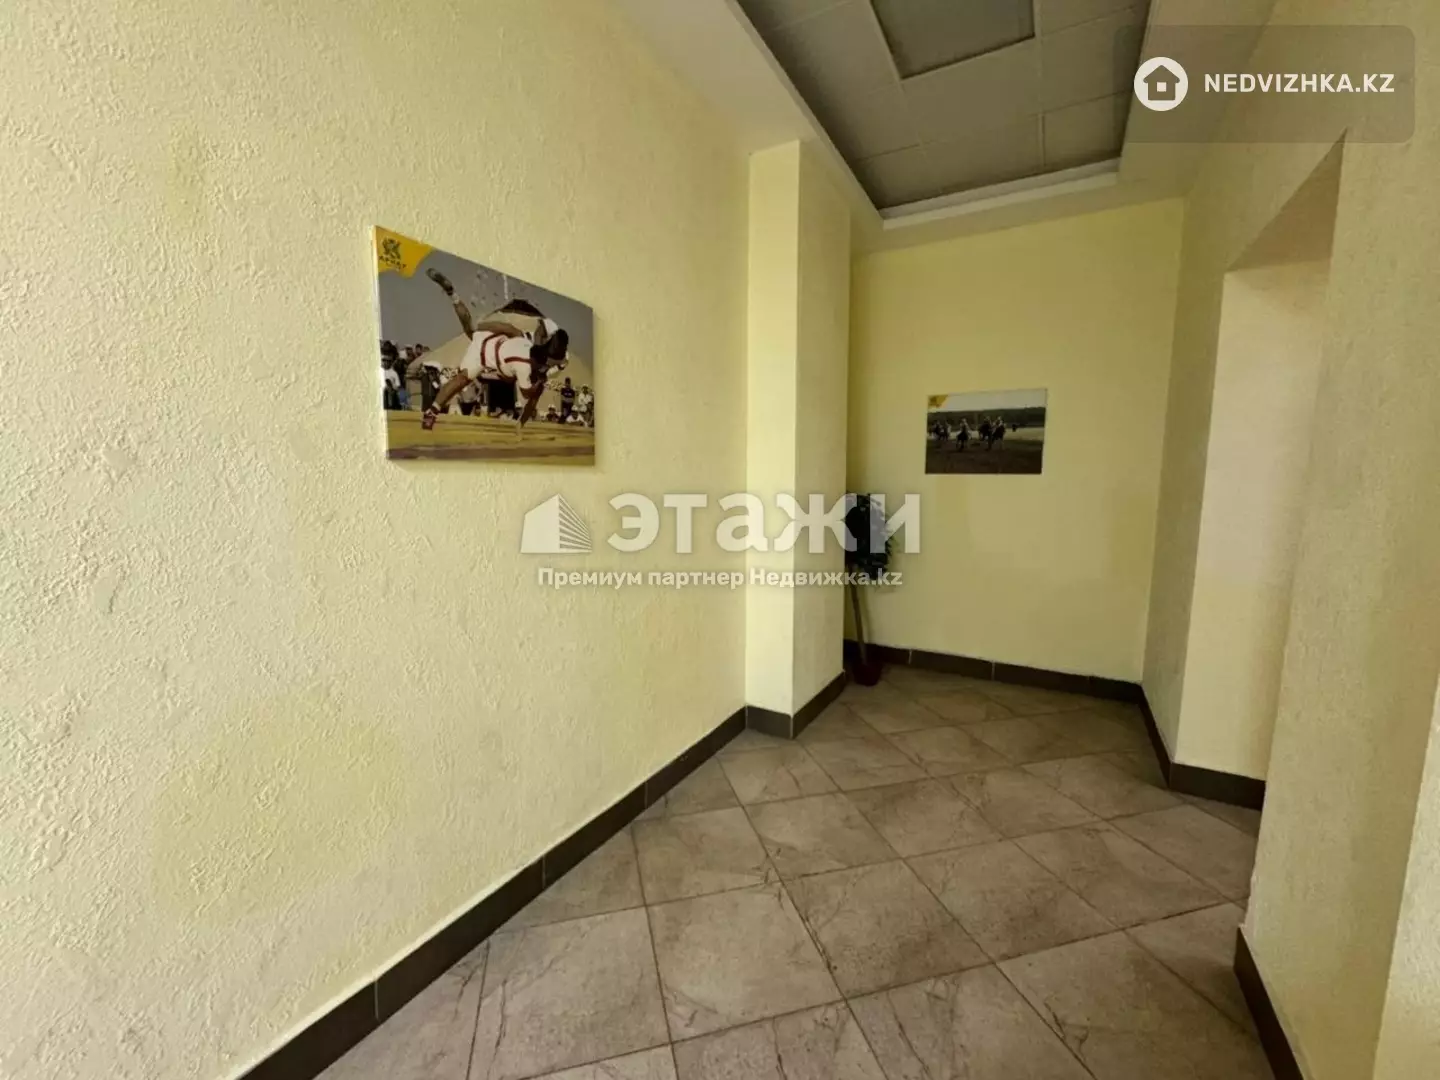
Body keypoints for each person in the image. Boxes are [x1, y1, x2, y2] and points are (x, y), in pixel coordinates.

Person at [420, 269, 569, 429]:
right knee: (461, 380)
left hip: (491, 339)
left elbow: (509, 328)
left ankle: (453, 295)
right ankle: (432, 412)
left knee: (470, 332)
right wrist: (537, 387)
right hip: (483, 356)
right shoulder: (525, 367)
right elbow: (528, 395)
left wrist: (481, 326)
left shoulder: (527, 340)